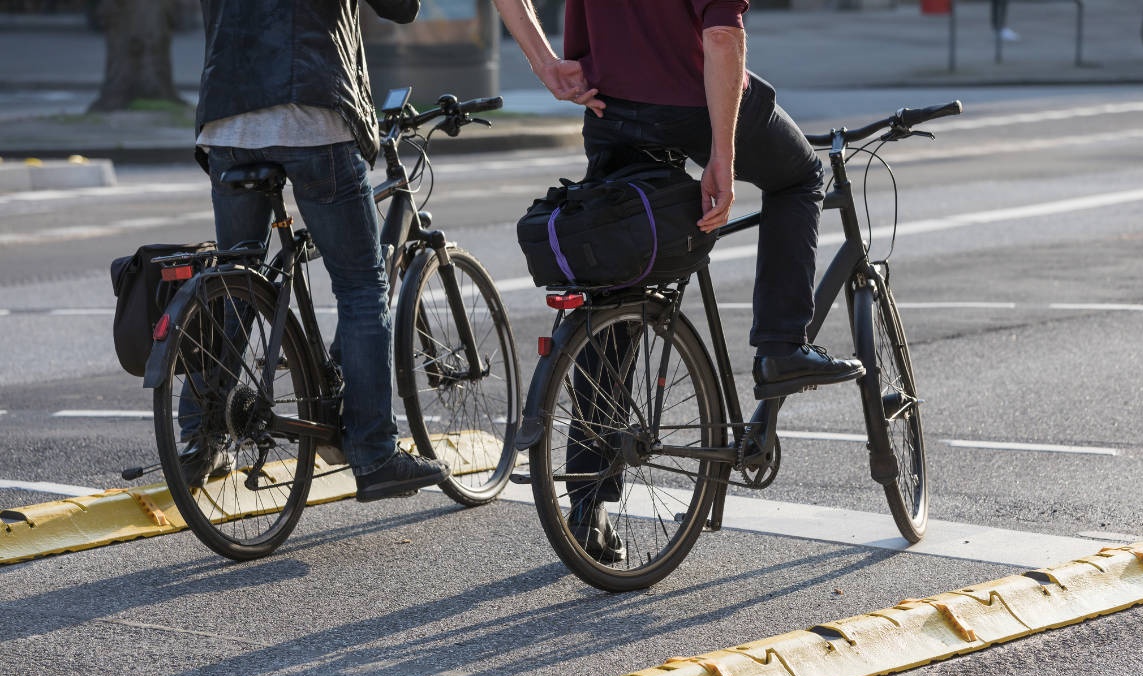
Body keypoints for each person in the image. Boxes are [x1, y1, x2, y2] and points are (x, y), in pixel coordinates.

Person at [493, 0, 864, 557]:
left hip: (609, 108)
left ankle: (588, 505)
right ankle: (781, 345)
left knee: (618, 291)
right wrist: (723, 153)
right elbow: (721, 40)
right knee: (799, 178)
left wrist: (546, 63)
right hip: (690, 100)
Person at [190, 0, 449, 502]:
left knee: (236, 280)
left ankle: (198, 438)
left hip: (226, 117)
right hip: (311, 115)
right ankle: (374, 453)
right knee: (360, 286)